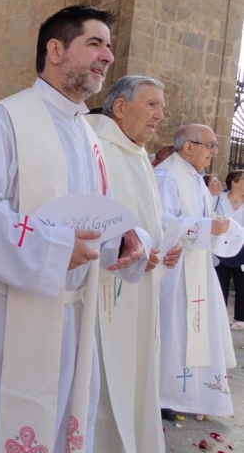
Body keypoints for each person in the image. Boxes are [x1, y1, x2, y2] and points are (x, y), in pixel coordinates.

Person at [0, 5, 147, 453]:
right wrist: (51, 248)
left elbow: (94, 218)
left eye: (109, 46)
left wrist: (125, 239)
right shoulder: (3, 121)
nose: (108, 56)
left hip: (69, 316)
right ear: (55, 49)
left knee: (57, 424)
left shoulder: (88, 136)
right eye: (95, 43)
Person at [86, 75, 182, 453]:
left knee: (132, 375)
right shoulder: (94, 145)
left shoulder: (137, 152)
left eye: (161, 105)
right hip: (102, 289)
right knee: (103, 380)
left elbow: (145, 219)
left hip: (138, 287)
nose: (161, 114)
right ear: (121, 107)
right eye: (152, 104)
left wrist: (159, 247)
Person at [155, 124, 236, 420]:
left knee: (193, 330)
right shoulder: (166, 176)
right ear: (189, 146)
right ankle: (165, 394)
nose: (214, 152)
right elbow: (161, 222)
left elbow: (195, 218)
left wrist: (213, 223)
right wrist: (205, 227)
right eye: (210, 145)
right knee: (173, 329)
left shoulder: (196, 179)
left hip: (197, 270)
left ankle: (189, 394)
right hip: (174, 275)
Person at [214, 170, 244, 330]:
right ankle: (219, 316)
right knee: (220, 281)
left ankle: (240, 318)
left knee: (242, 282)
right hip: (220, 248)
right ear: (234, 182)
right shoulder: (219, 200)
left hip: (242, 249)